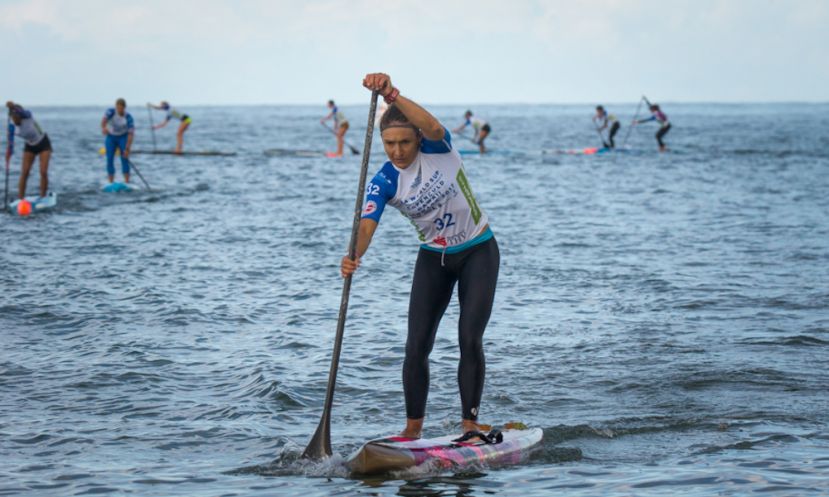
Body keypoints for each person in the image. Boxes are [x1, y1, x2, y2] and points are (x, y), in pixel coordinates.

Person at [342, 73, 499, 440]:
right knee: (416, 346)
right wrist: (353, 256)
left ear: (417, 140)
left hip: (478, 250)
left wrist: (392, 95)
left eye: (404, 142)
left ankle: (470, 424)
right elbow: (366, 225)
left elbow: (430, 124)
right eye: (389, 144)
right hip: (434, 259)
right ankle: (412, 431)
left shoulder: (439, 148)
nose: (397, 151)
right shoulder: (383, 179)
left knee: (468, 337)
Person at [6, 101, 52, 200]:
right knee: (25, 172)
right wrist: (8, 155)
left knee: (43, 171)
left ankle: (43, 197)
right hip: (29, 145)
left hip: (43, 142)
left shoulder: (27, 116)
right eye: (13, 117)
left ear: (20, 115)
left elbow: (22, 111)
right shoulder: (11, 126)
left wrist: (13, 107)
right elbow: (10, 144)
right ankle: (20, 199)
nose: (15, 119)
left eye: (16, 116)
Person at [100, 98, 135, 184]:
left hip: (123, 137)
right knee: (110, 158)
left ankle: (127, 182)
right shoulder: (111, 112)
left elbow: (131, 134)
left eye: (121, 108)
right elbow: (103, 122)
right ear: (116, 107)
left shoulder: (128, 117)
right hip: (111, 137)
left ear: (124, 108)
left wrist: (127, 148)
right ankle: (111, 181)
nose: (119, 110)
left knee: (124, 158)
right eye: (117, 108)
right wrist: (104, 128)